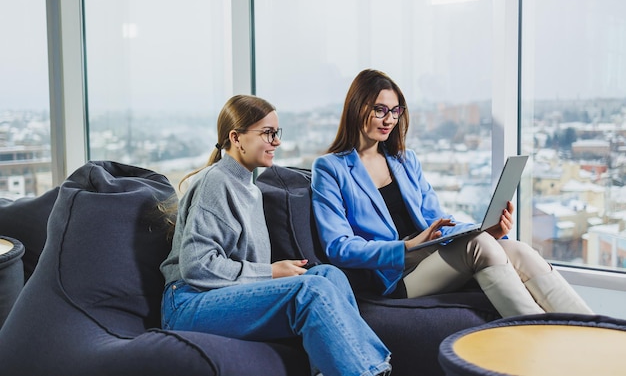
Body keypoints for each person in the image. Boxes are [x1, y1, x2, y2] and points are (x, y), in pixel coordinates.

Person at [311, 69, 593, 318]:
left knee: (517, 249)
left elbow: (438, 220)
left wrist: (485, 231)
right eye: (380, 110)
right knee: (479, 246)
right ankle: (544, 338)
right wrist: (405, 248)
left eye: (396, 111)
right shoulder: (331, 168)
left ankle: (598, 333)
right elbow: (339, 247)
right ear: (358, 108)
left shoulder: (405, 161)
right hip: (395, 274)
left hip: (431, 255)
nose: (390, 120)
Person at [160, 95, 392, 376]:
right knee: (310, 291)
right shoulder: (215, 182)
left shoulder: (251, 190)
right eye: (268, 133)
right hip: (187, 304)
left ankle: (337, 370)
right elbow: (197, 267)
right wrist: (269, 273)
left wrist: (271, 274)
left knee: (329, 276)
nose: (277, 141)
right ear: (236, 138)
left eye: (276, 133)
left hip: (220, 295)